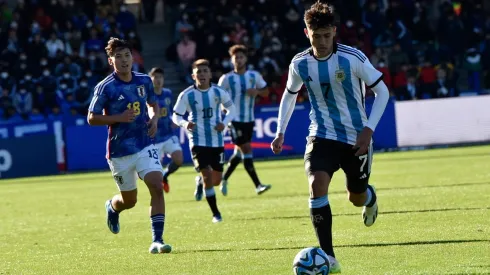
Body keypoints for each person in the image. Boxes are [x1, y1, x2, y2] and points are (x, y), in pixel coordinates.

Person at [270, 2, 390, 273]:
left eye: (327, 35)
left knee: (355, 197)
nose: (322, 41)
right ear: (306, 33)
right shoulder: (300, 63)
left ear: (335, 31)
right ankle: (329, 257)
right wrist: (280, 132)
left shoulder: (353, 58)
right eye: (316, 36)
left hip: (356, 137)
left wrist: (368, 129)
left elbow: (382, 92)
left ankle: (369, 198)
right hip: (321, 134)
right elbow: (289, 95)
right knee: (316, 183)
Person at [87, 37, 171, 254]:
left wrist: (153, 120)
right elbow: (91, 118)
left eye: (127, 55)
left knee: (156, 185)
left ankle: (157, 240)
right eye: (118, 56)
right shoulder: (106, 87)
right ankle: (113, 207)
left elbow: (153, 104)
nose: (124, 60)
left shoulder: (144, 80)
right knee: (129, 201)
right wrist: (119, 117)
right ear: (110, 60)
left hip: (144, 144)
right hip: (119, 152)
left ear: (132, 57)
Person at [172, 59, 236, 223]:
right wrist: (185, 124)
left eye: (205, 71)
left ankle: (200, 181)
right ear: (193, 76)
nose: (202, 74)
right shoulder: (187, 95)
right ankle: (216, 213)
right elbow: (176, 116)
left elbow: (232, 109)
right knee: (208, 176)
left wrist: (225, 122)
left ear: (210, 74)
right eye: (198, 72)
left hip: (216, 141)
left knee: (215, 180)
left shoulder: (218, 92)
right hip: (197, 141)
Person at [217, 44, 271, 196]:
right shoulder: (226, 78)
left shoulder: (254, 76)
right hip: (234, 119)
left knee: (239, 154)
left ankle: (223, 179)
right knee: (247, 149)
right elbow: (218, 96)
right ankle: (258, 185)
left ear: (245, 59)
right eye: (236, 57)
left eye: (241, 57)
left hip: (249, 119)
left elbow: (266, 92)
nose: (239, 60)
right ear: (231, 60)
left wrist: (257, 92)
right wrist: (223, 108)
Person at [149, 67, 183, 193]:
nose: (158, 80)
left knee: (179, 159)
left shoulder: (167, 93)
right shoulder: (148, 95)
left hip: (168, 134)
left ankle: (165, 175)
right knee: (154, 174)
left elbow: (171, 110)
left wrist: (174, 120)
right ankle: (159, 182)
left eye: (160, 77)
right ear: (151, 79)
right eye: (155, 77)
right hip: (154, 139)